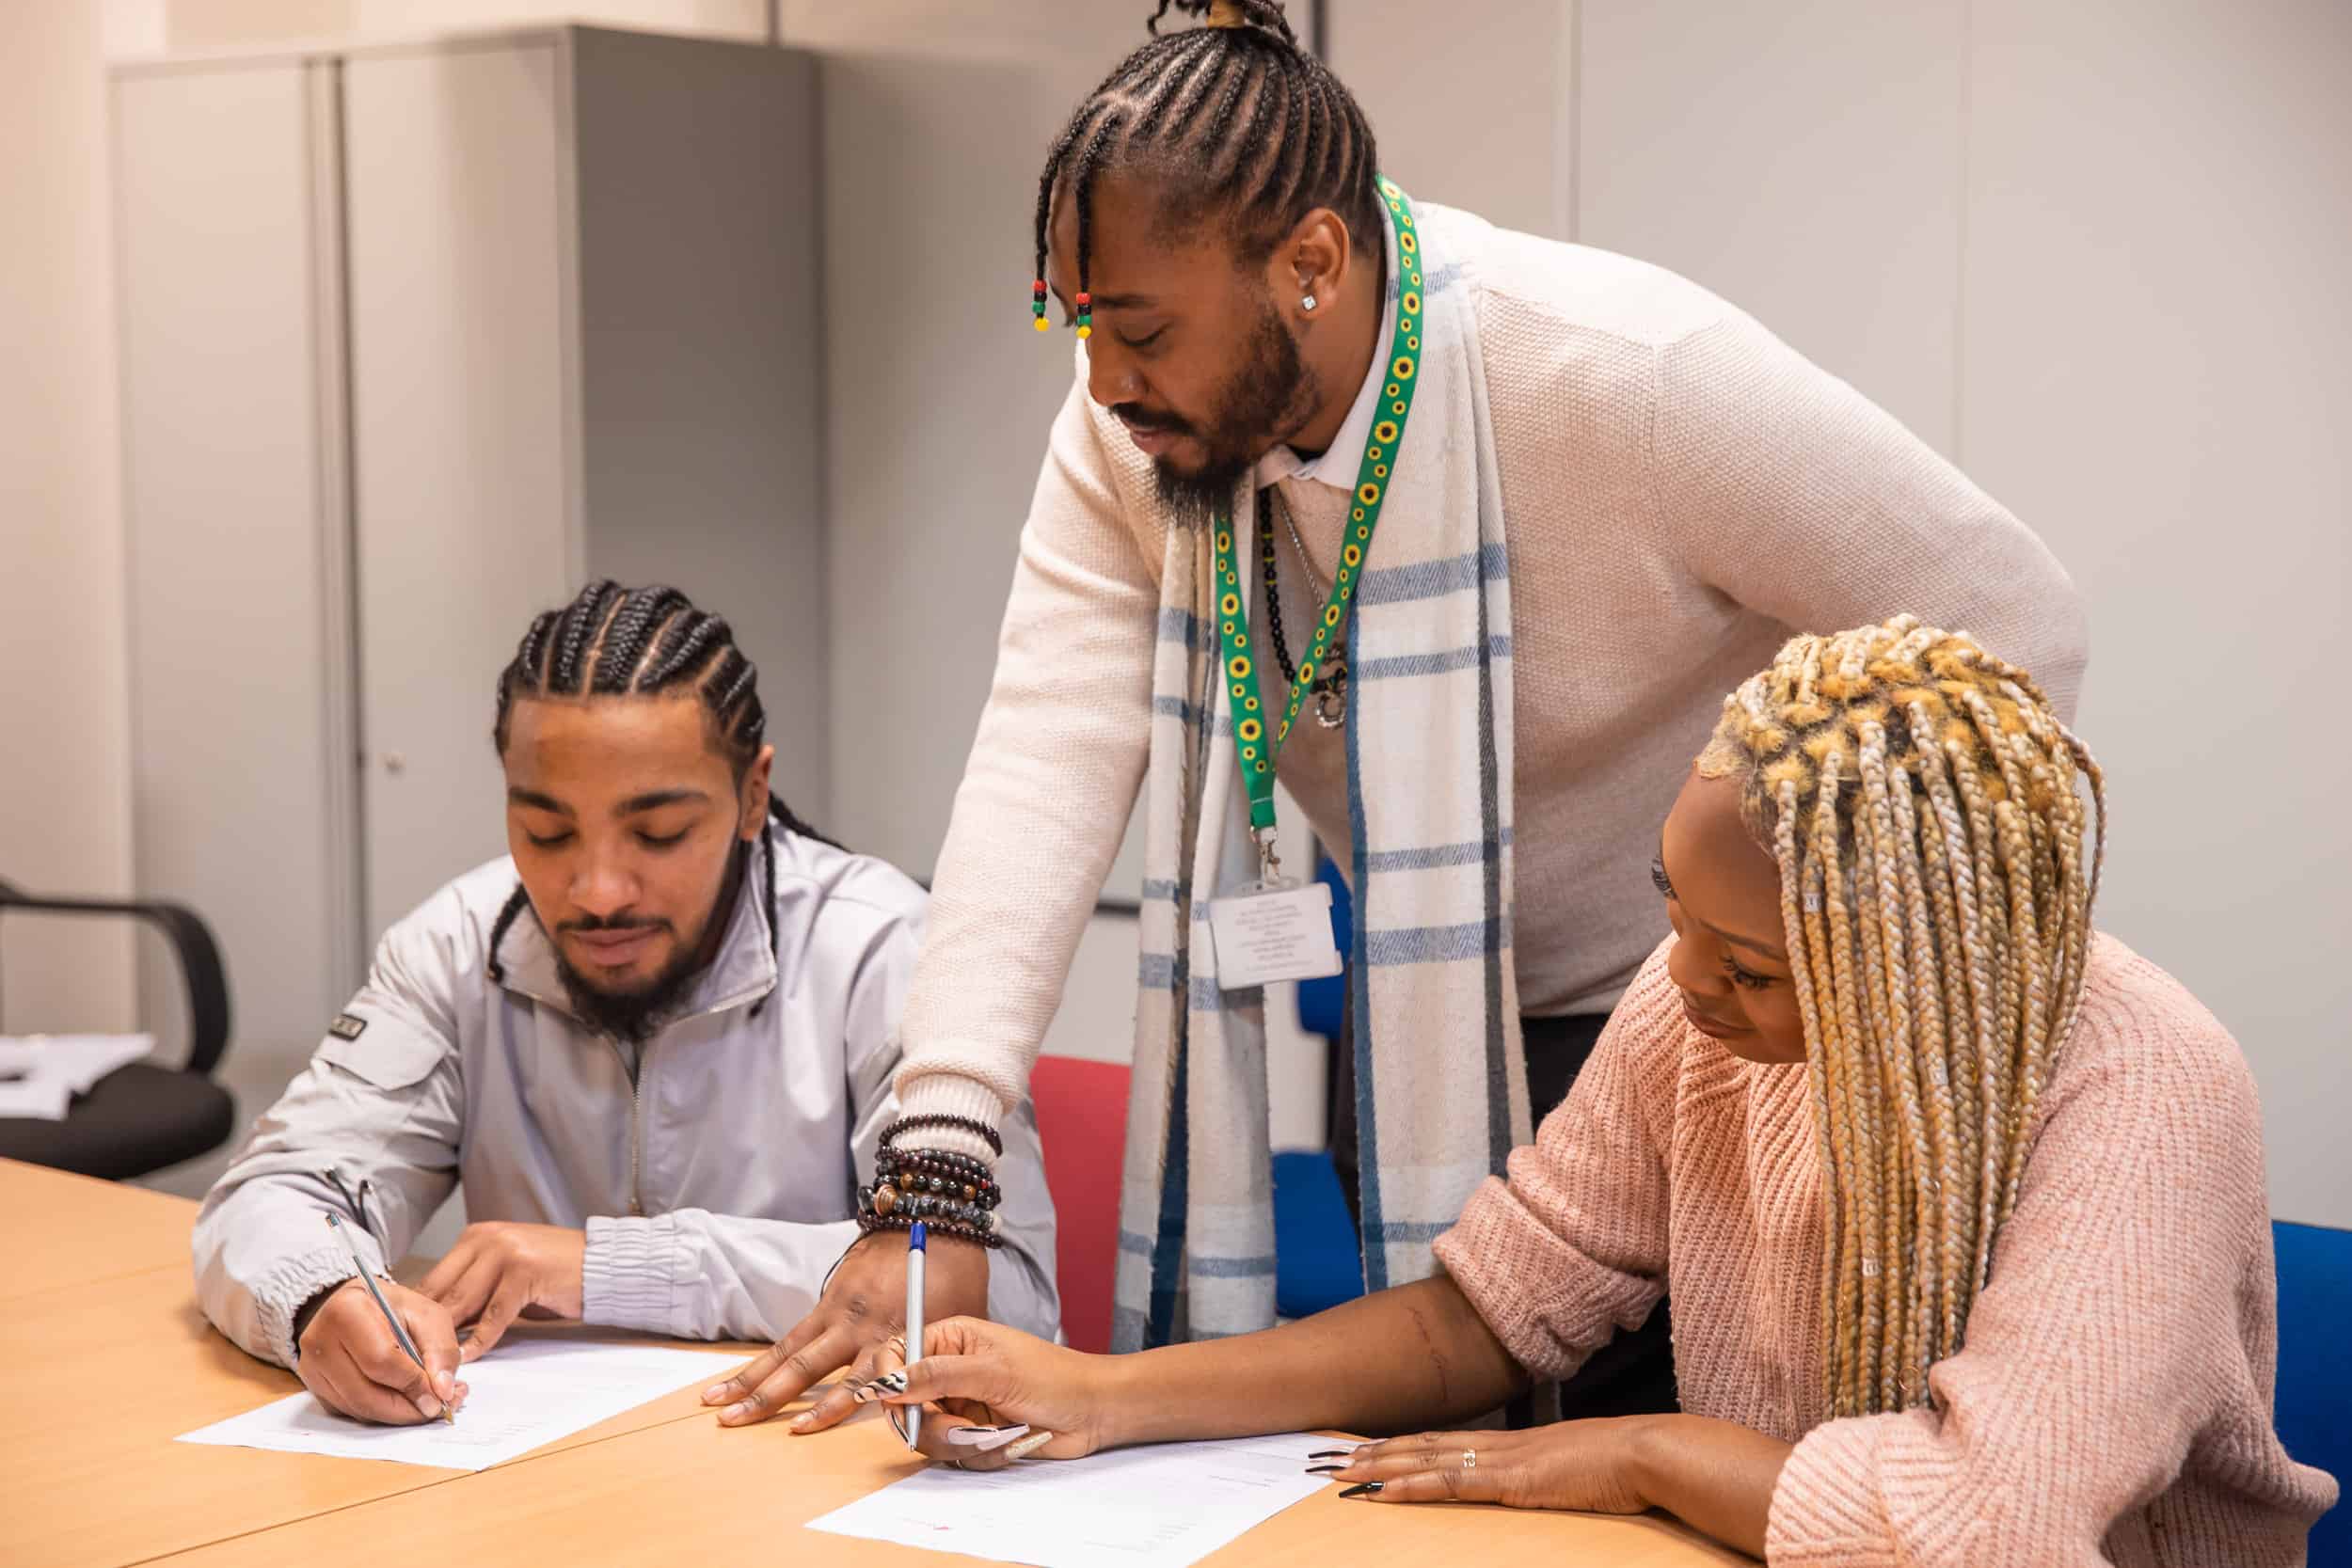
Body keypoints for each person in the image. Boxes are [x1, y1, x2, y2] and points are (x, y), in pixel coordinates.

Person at [737, 0, 2090, 1424]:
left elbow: (2014, 620)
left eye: (1140, 329)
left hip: (1708, 1030)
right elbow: (1040, 764)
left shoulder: (1620, 374)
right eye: (1078, 325)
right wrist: (938, 1175)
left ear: (1311, 262)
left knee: (1664, 1476)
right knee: (1430, 1455)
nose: (1102, 382)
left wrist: (1831, 978)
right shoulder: (1130, 439)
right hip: (1418, 1019)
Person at [850, 619, 2338, 1564]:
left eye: (1751, 967)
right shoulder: (1693, 999)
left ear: (1908, 970)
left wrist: (1637, 1445)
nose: (1684, 985)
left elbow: (1984, 1525)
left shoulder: (2143, 1085)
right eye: (1670, 914)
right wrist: (1102, 1395)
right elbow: (1483, 1312)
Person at [192, 581, 1057, 1425]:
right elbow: (274, 1186)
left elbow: (1002, 1295)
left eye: (659, 833)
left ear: (753, 794)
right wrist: (319, 1298)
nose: (598, 892)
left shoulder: (887, 948)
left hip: (813, 1477)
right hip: (542, 1476)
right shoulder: (457, 944)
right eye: (548, 832)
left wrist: (608, 1268)